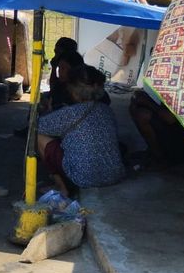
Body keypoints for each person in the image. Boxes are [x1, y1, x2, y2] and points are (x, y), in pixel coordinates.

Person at [36, 65, 125, 196]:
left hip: (84, 178)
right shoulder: (107, 110)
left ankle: (61, 187)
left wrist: (47, 112)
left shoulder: (71, 113)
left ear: (74, 91)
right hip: (114, 175)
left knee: (39, 137)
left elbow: (38, 126)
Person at [129, 90, 184, 168]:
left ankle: (161, 159)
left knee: (142, 115)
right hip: (171, 132)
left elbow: (169, 119)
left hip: (181, 145)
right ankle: (154, 152)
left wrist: (148, 102)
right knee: (135, 106)